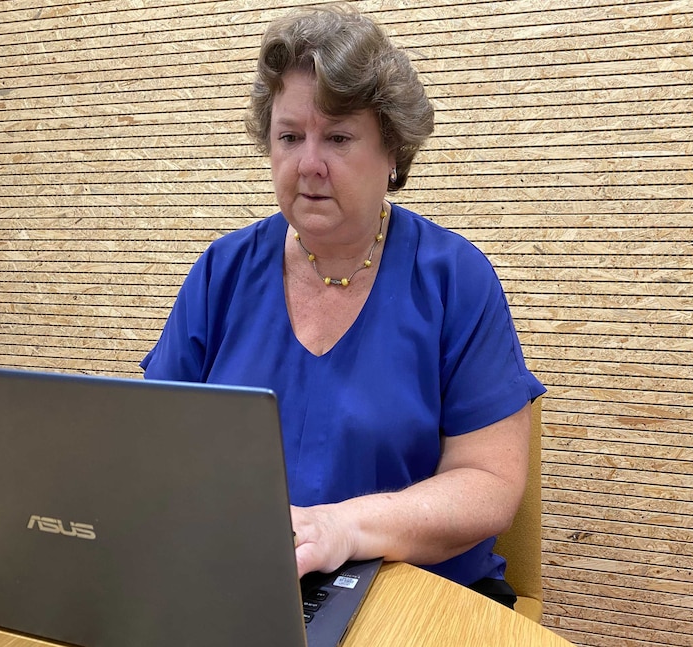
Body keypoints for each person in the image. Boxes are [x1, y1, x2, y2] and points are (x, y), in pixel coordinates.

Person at [141, 4, 546, 608]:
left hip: (421, 595)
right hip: (248, 586)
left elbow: (488, 485)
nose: (308, 164)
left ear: (392, 151)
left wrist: (341, 528)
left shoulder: (455, 278)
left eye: (337, 137)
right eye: (288, 137)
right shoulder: (221, 272)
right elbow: (154, 444)